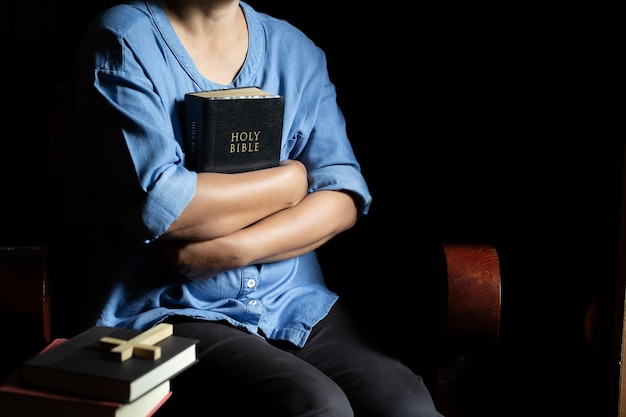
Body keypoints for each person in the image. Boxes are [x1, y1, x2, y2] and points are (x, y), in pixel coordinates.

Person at [62, 0, 444, 416]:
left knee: (407, 406)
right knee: (316, 406)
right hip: (166, 313)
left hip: (293, 301)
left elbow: (343, 195)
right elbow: (161, 205)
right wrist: (290, 182)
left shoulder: (295, 50)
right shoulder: (123, 40)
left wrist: (227, 252)